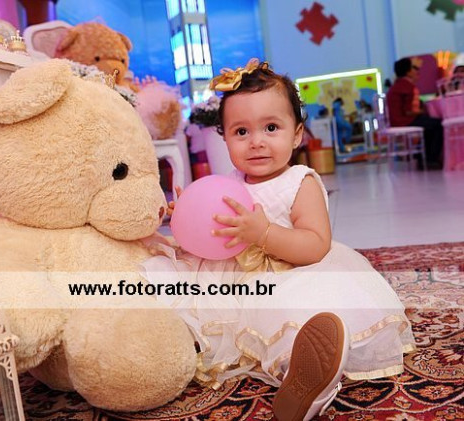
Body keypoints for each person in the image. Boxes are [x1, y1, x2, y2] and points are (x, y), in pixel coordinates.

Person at [141, 59, 415, 421]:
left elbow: (316, 245)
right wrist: (189, 218)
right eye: (241, 132)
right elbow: (214, 236)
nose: (256, 142)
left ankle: (306, 378)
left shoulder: (299, 182)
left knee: (293, 313)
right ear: (225, 138)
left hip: (288, 273)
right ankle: (163, 348)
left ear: (297, 134)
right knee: (168, 285)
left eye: (271, 127)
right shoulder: (228, 182)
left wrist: (264, 233)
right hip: (233, 276)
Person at [386, 57, 443, 169]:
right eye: (414, 68)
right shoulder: (408, 87)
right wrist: (422, 111)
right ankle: (430, 159)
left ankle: (422, 157)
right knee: (438, 124)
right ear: (408, 71)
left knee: (429, 124)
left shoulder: (396, 86)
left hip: (395, 121)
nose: (417, 71)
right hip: (404, 121)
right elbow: (409, 111)